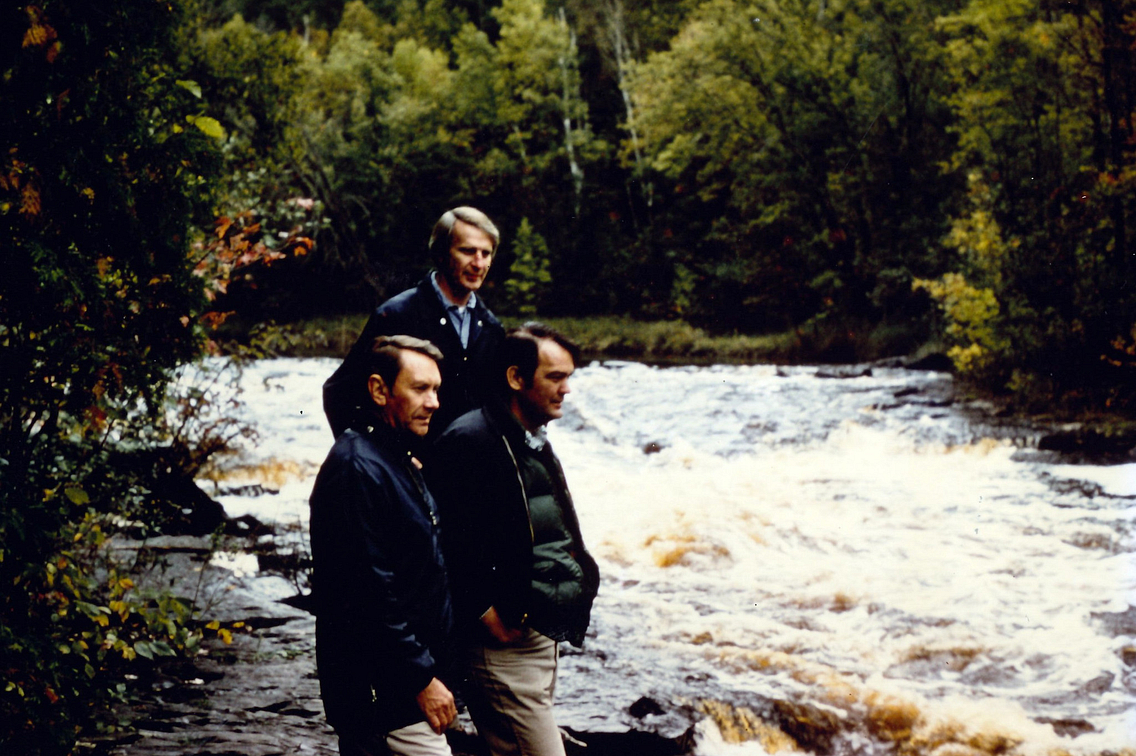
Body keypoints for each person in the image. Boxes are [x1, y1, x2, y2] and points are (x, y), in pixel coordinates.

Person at [430, 323, 600, 756]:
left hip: (535, 633)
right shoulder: (472, 441)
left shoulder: (529, 437)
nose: (566, 390)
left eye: (569, 378)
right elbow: (447, 541)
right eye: (555, 377)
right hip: (501, 645)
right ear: (515, 378)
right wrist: (486, 613)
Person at [309, 335, 458, 756]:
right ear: (378, 390)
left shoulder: (393, 457)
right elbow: (368, 594)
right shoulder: (358, 467)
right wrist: (421, 680)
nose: (434, 403)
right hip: (388, 694)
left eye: (436, 389)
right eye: (420, 388)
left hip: (403, 688)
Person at [323, 207, 505, 439]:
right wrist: (380, 456)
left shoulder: (491, 329)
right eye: (468, 251)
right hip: (407, 470)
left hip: (466, 469)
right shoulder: (397, 315)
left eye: (486, 253)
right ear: (441, 253)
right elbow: (338, 393)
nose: (479, 264)